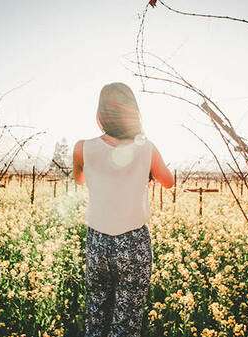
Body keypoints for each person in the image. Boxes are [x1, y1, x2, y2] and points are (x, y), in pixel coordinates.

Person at [73, 82, 174, 337]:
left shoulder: (81, 148)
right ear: (133, 112)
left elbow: (80, 180)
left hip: (97, 240)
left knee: (96, 314)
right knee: (126, 323)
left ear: (100, 114)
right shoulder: (146, 148)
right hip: (134, 241)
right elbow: (169, 181)